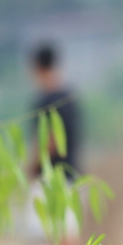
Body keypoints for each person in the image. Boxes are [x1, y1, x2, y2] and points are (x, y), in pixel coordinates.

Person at [28, 41, 83, 180]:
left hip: (52, 180)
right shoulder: (69, 97)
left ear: (37, 67)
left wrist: (30, 170)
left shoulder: (47, 101)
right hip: (72, 174)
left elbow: (48, 143)